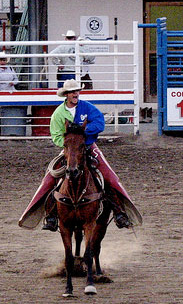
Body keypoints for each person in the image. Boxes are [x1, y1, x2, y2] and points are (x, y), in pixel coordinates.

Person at [21, 79, 138, 231]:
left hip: (89, 147)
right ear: (67, 95)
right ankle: (49, 215)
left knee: (110, 176)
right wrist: (69, 144)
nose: (75, 94)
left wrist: (83, 132)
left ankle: (120, 212)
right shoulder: (58, 114)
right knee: (49, 179)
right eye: (72, 92)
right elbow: (55, 135)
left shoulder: (87, 107)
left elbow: (99, 123)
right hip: (69, 150)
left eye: (77, 91)